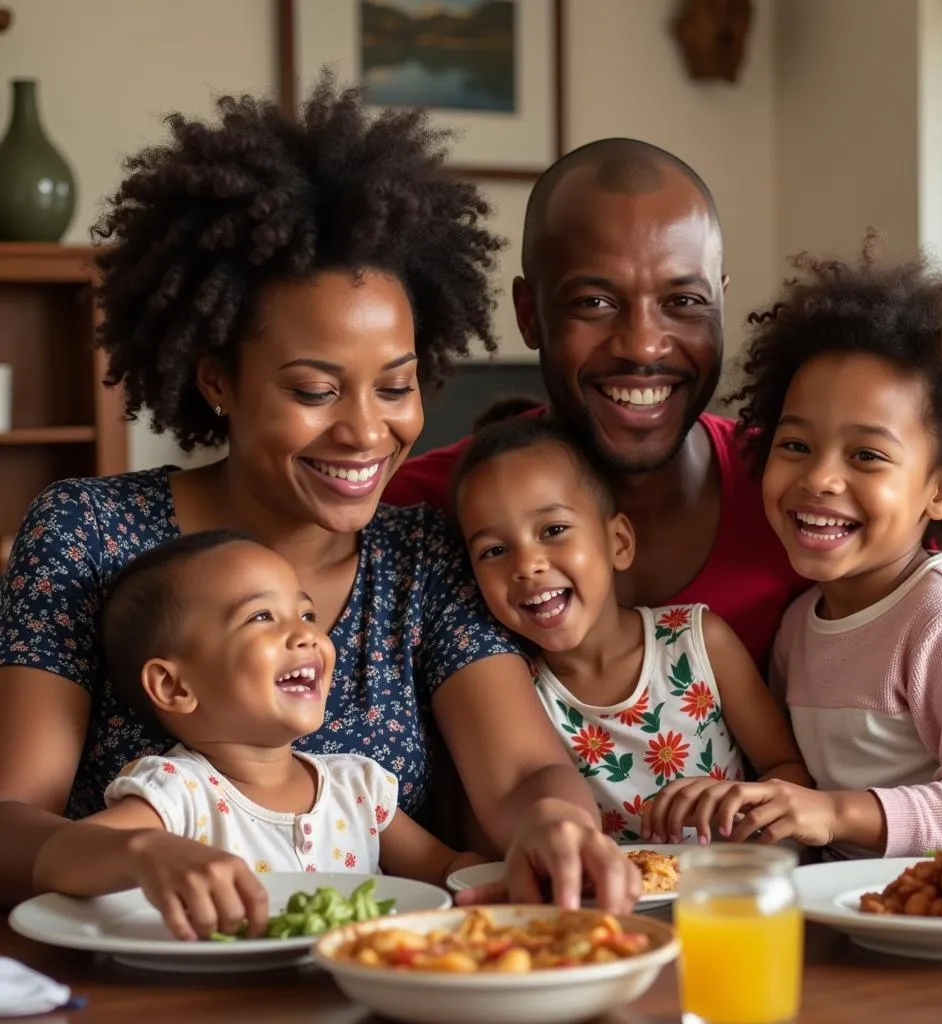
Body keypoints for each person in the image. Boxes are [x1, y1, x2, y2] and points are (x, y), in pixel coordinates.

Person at [0, 77, 639, 914]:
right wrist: (141, 854)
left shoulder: (423, 556)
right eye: (315, 391)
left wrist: (557, 823)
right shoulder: (88, 536)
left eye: (397, 386)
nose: (367, 433)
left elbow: (520, 774)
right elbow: (13, 823)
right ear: (218, 380)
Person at [383, 138, 942, 669]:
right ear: (530, 315)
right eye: (595, 303)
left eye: (682, 302)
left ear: (719, 302)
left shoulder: (812, 497)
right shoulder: (425, 508)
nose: (642, 345)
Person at [654, 242, 942, 858]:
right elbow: (790, 786)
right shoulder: (799, 625)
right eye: (795, 445)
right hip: (839, 915)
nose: (820, 479)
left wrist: (835, 813)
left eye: (867, 456)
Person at [34, 531, 485, 940]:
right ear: (174, 687)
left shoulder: (357, 788)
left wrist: (506, 875)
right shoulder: (177, 793)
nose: (306, 634)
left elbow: (445, 869)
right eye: (262, 616)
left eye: (307, 613)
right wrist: (144, 851)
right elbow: (58, 857)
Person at [451, 416, 811, 846]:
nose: (527, 565)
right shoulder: (513, 695)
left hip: (722, 899)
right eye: (494, 550)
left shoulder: (697, 642)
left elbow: (788, 771)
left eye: (553, 530)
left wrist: (737, 802)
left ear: (618, 542)